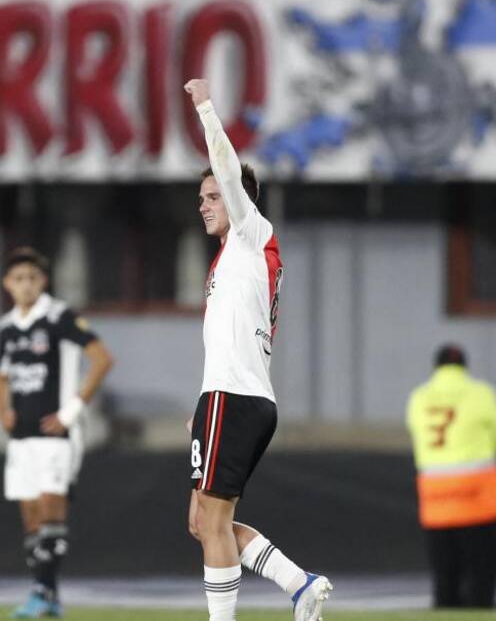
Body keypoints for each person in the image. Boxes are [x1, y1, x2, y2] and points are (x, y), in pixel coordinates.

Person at [183, 77, 332, 621]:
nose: (204, 205)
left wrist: (205, 109)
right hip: (225, 397)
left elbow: (226, 165)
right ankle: (300, 585)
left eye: (213, 195)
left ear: (239, 198)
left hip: (235, 397)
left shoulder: (251, 233)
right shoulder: (232, 259)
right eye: (200, 198)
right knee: (205, 523)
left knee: (213, 523)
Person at [0, 247, 114, 618]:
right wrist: (4, 412)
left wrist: (71, 411)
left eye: (32, 277)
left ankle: (41, 592)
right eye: (18, 279)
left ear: (42, 281)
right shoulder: (7, 326)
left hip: (56, 435)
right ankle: (49, 596)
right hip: (22, 437)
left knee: (50, 509)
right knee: (31, 516)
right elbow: (0, 377)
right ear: (7, 284)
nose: (25, 285)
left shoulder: (59, 316)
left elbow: (101, 359)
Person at [406, 344, 496, 609]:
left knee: (444, 575)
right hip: (478, 493)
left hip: (436, 494)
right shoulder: (481, 393)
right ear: (464, 366)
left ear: (436, 367)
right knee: (481, 573)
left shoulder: (419, 396)